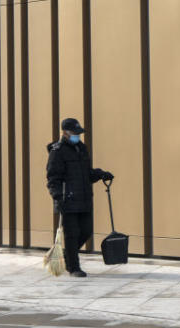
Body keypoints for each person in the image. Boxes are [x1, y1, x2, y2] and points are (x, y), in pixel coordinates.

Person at [46, 118, 113, 278]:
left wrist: (100, 174)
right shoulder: (58, 151)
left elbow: (86, 173)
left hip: (84, 198)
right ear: (66, 133)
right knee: (72, 234)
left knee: (86, 231)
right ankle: (74, 267)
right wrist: (57, 197)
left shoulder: (81, 148)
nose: (78, 136)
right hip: (67, 199)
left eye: (79, 133)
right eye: (75, 133)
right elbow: (53, 178)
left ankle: (66, 254)